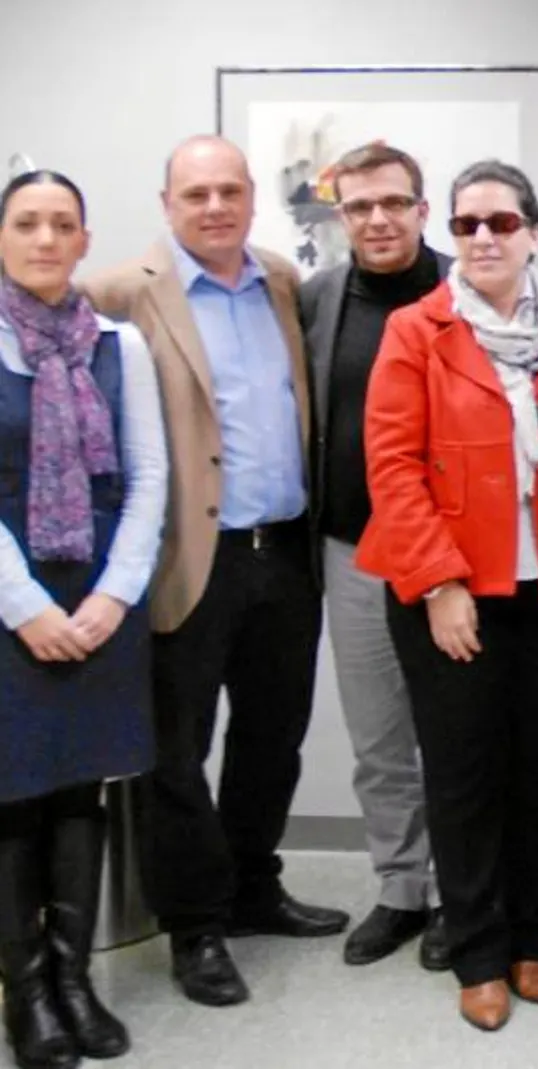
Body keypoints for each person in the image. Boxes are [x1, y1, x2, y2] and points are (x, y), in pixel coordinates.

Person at [82, 135, 348, 1009]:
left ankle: (252, 886)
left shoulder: (279, 281)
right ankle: (194, 924)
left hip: (285, 549)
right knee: (177, 750)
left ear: (250, 199)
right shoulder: (120, 294)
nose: (215, 207)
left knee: (274, 736)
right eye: (196, 193)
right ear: (167, 203)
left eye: (230, 190)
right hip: (187, 557)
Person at [356, 159, 538, 1033]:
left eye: (501, 221)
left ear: (533, 229)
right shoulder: (418, 329)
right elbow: (392, 466)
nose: (483, 237)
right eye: (466, 225)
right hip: (449, 591)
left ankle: (530, 936)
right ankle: (479, 951)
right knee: (462, 777)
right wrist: (442, 582)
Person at [0, 170, 165, 1069]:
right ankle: (25, 991)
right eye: (27, 222)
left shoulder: (119, 345)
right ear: (1, 236)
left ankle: (74, 978)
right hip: (8, 603)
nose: (45, 238)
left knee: (83, 789)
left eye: (63, 223)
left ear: (84, 238)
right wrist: (24, 607)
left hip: (102, 597)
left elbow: (148, 479)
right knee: (12, 793)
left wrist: (113, 595)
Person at [299, 141, 453, 971]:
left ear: (422, 209)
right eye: (360, 207)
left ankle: (462, 894)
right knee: (381, 741)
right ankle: (401, 889)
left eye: (394, 202)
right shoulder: (321, 298)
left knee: (458, 737)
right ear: (341, 217)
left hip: (458, 561)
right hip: (354, 553)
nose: (378, 219)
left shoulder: (466, 286)